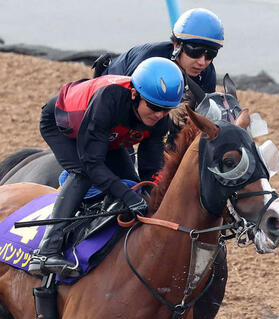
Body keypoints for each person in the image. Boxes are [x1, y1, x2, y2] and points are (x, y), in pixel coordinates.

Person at [28, 57, 185, 278]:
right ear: (134, 94)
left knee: (135, 184)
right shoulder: (109, 100)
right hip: (62, 124)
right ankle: (46, 251)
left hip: (107, 133)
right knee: (83, 173)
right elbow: (93, 164)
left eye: (166, 110)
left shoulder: (160, 120)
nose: (159, 115)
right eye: (154, 107)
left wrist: (152, 196)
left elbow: (150, 170)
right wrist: (128, 198)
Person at [97, 8, 224, 96]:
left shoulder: (207, 71)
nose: (202, 62)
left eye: (210, 54)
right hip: (106, 91)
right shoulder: (149, 61)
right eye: (195, 52)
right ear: (176, 45)